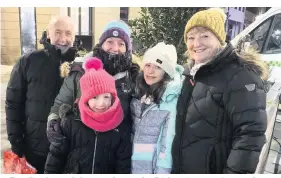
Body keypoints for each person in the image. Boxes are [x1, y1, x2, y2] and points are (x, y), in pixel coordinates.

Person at [171, 8, 269, 174]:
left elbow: (250, 135)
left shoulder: (239, 75)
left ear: (219, 38)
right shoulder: (192, 74)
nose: (196, 43)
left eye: (205, 36)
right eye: (191, 37)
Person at [47, 20, 139, 145]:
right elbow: (61, 103)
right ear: (101, 44)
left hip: (118, 152)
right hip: (82, 149)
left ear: (128, 48)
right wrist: (53, 122)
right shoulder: (80, 71)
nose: (115, 48)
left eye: (121, 44)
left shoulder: (134, 76)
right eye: (110, 42)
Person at [5, 16, 77, 173]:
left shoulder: (80, 65)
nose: (63, 39)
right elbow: (13, 104)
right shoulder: (28, 62)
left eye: (68, 33)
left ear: (74, 36)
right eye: (57, 32)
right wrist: (17, 143)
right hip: (36, 151)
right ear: (48, 34)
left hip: (71, 153)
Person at [44, 58, 132, 174]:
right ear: (85, 98)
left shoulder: (120, 127)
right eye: (94, 97)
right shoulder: (70, 122)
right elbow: (56, 157)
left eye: (106, 97)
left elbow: (123, 164)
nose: (101, 104)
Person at [130, 42, 184, 174]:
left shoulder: (170, 100)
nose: (150, 71)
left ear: (166, 72)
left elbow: (168, 143)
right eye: (147, 65)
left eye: (158, 67)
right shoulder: (138, 93)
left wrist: (162, 171)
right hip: (133, 165)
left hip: (153, 168)